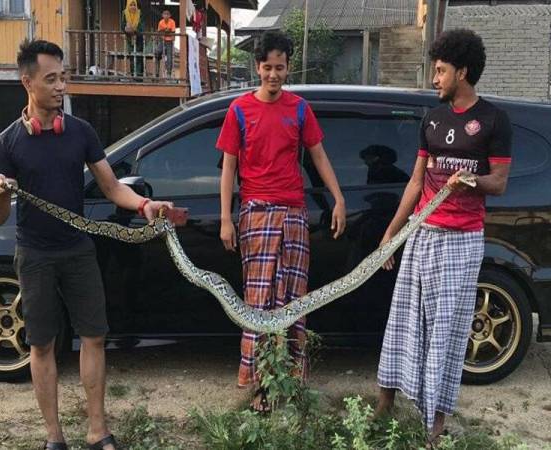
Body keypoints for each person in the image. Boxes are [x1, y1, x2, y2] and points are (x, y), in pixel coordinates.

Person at [0, 39, 173, 450]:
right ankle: (54, 437)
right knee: (42, 343)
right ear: (27, 82)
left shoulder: (80, 132)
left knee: (93, 336)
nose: (61, 86)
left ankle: (96, 430)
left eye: (63, 77)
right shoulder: (8, 143)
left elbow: (110, 188)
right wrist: (0, 194)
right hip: (34, 254)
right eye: (50, 79)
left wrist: (144, 204)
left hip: (77, 250)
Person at [374, 29, 512, 447]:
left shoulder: (492, 120)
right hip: (421, 232)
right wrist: (390, 236)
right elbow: (416, 183)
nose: (434, 78)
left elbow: (500, 182)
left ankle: (435, 421)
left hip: (461, 239)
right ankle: (384, 403)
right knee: (402, 321)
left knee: (446, 332)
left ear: (462, 71)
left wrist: (472, 180)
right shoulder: (432, 119)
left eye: (440, 71)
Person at [216, 30, 346, 412]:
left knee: (292, 302)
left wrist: (338, 198)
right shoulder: (239, 110)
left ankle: (289, 381)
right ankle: (259, 387)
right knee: (259, 303)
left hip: (293, 215)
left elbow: (319, 156)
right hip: (255, 214)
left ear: (288, 67)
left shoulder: (300, 109)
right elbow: (229, 168)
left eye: (280, 67)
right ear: (257, 68)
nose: (273, 74)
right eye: (267, 67)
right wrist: (227, 218)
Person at [122, 0, 145, 78]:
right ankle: (133, 76)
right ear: (128, 5)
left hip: (138, 39)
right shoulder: (125, 13)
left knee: (139, 58)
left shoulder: (140, 13)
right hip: (129, 39)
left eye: (134, 5)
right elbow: (122, 25)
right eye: (131, 5)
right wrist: (125, 29)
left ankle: (139, 77)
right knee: (131, 58)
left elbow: (142, 27)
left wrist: (135, 30)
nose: (133, 7)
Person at [156, 10, 176, 78]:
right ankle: (157, 72)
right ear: (162, 15)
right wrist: (166, 31)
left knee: (169, 57)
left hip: (169, 41)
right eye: (165, 14)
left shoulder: (172, 22)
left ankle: (169, 73)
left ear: (170, 15)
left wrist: (165, 31)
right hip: (162, 40)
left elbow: (173, 32)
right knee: (157, 52)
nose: (166, 16)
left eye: (167, 14)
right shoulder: (161, 22)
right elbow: (159, 32)